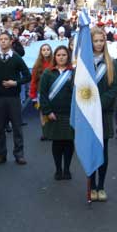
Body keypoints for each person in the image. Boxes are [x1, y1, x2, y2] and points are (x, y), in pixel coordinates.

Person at [0, 32, 31, 165]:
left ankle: (19, 154)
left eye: (5, 39)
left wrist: (15, 83)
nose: (3, 42)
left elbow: (27, 76)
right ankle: (0, 154)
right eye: (1, 39)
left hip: (13, 97)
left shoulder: (16, 58)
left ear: (10, 41)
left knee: (17, 127)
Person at [89, 28, 117, 202]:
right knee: (90, 150)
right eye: (96, 41)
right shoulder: (85, 62)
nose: (99, 44)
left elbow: (114, 88)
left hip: (104, 113)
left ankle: (101, 186)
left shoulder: (111, 63)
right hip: (88, 114)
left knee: (103, 151)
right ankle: (91, 185)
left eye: (101, 41)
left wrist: (99, 103)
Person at [39, 46, 74, 180]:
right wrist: (48, 111)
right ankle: (58, 169)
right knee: (57, 143)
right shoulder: (48, 73)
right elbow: (43, 94)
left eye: (64, 55)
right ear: (55, 57)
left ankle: (67, 169)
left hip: (70, 113)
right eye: (58, 55)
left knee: (69, 142)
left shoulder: (74, 72)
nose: (61, 57)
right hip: (54, 114)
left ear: (68, 56)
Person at [29, 44, 53, 141]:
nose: (46, 51)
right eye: (44, 50)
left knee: (52, 112)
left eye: (48, 49)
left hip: (53, 91)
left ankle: (52, 131)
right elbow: (33, 81)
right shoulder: (37, 66)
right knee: (43, 113)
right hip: (40, 93)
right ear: (41, 52)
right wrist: (33, 96)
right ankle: (45, 132)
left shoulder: (54, 63)